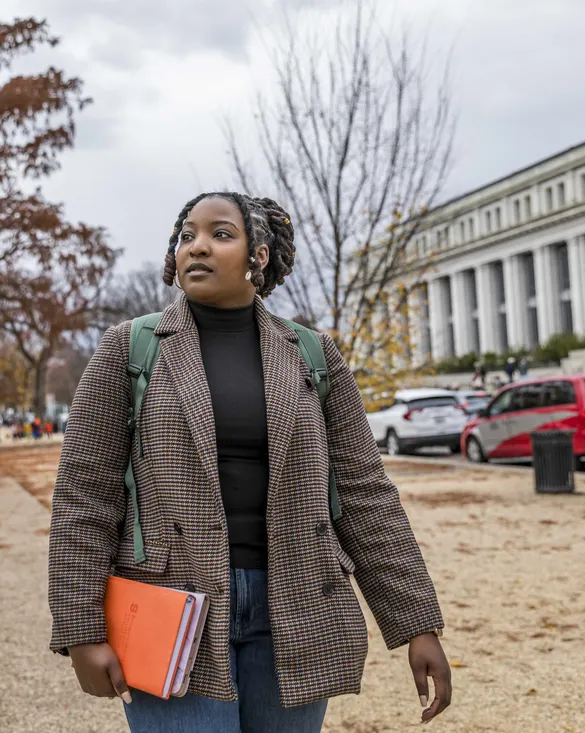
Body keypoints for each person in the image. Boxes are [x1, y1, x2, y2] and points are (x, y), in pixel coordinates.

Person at [49, 192, 451, 733]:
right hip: (174, 611)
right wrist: (81, 628)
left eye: (220, 234)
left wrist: (416, 623)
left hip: (298, 603)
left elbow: (364, 493)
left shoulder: (312, 354)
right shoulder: (130, 349)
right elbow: (85, 497)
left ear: (258, 256)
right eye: (187, 235)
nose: (197, 247)